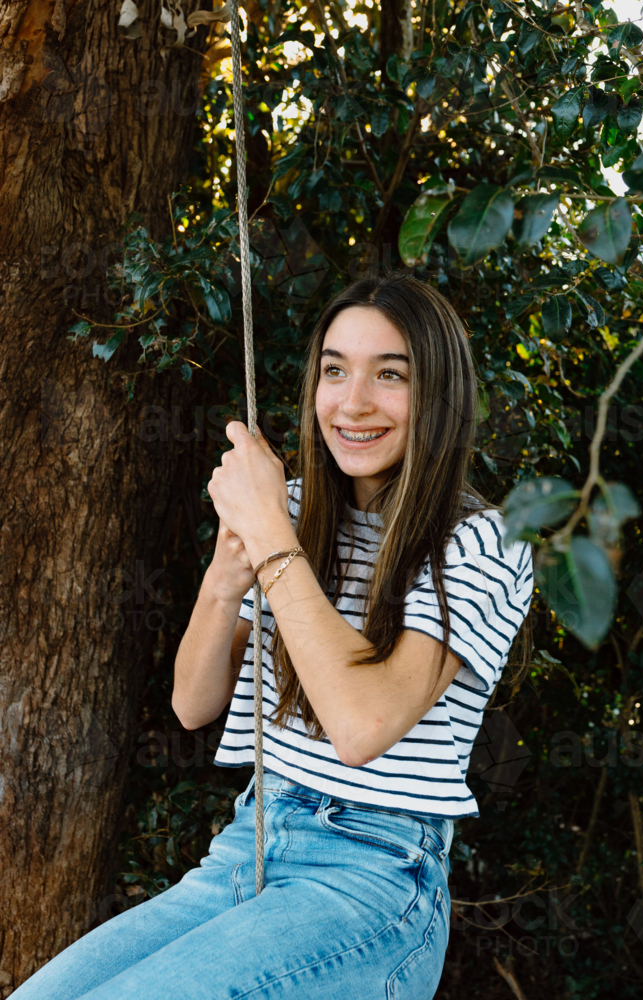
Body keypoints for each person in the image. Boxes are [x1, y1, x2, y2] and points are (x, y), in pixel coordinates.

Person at [13, 273, 533, 999]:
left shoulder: (483, 543)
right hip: (248, 844)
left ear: (440, 396)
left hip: (373, 878)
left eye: (390, 375)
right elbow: (193, 704)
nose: (353, 402)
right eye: (334, 371)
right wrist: (228, 575)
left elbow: (361, 726)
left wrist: (270, 539)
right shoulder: (292, 510)